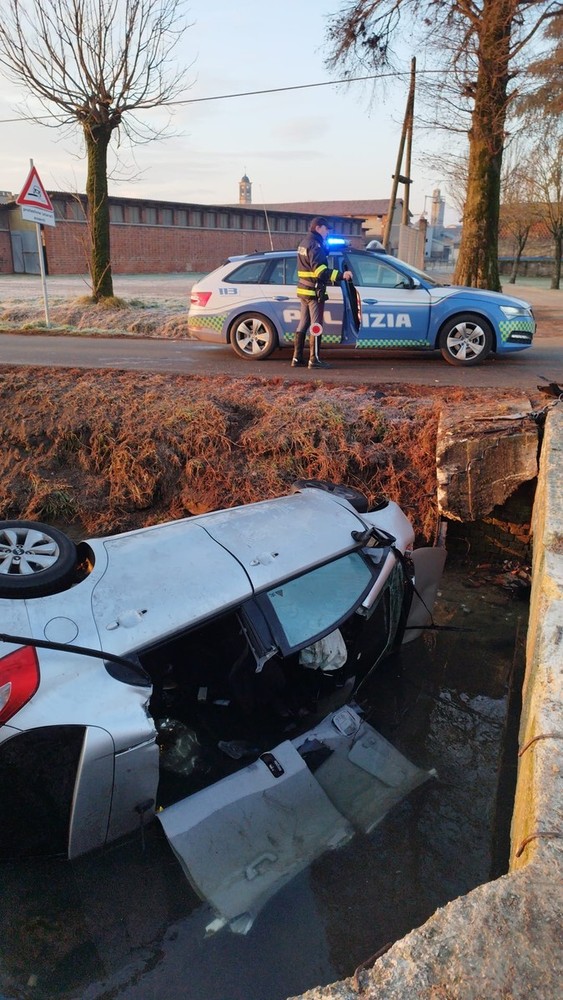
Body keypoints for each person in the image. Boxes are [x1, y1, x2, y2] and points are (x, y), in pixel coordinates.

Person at [291, 217, 352, 369]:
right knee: (316, 325)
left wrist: (327, 247)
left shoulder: (305, 243)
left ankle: (297, 358)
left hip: (304, 290)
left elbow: (314, 259)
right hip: (313, 291)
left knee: (303, 324)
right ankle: (314, 360)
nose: (328, 232)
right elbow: (320, 271)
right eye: (326, 229)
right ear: (318, 228)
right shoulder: (315, 245)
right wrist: (341, 275)